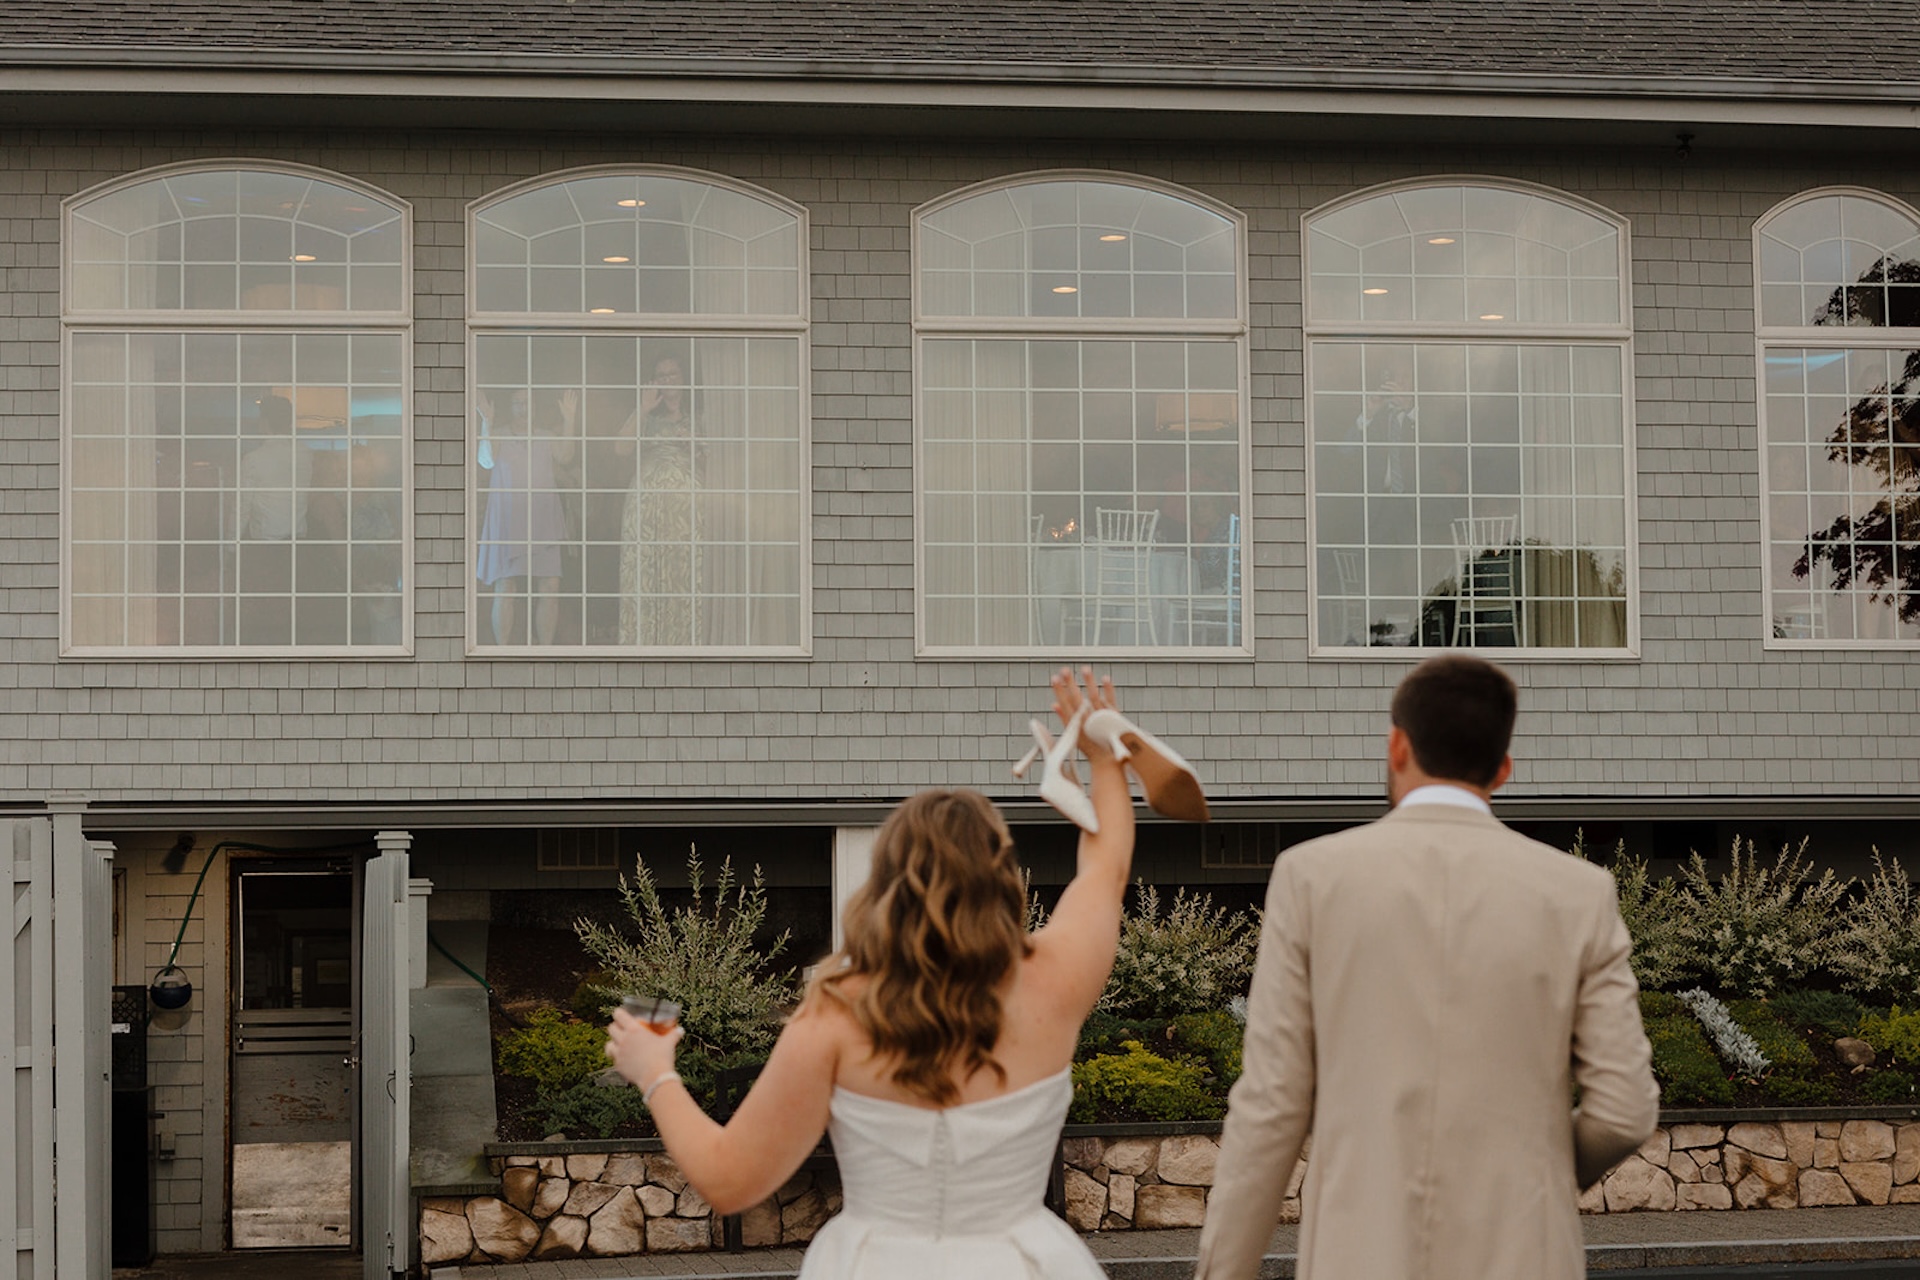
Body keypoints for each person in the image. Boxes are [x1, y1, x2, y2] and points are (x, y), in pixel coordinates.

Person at [605, 668, 1203, 1279]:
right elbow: (1107, 869)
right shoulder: (1057, 979)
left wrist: (654, 1073)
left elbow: (729, 1181)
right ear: (1001, 874)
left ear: (885, 884)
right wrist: (1102, 755)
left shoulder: (836, 1013)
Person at [1195, 654, 1658, 1280]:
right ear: (1503, 769)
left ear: (1396, 746)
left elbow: (1271, 1107)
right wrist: (1540, 1174)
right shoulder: (1580, 893)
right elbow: (1624, 1111)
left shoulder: (1312, 879)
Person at [475, 387, 576, 645]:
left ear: (534, 407)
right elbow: (485, 461)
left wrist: (570, 419)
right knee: (506, 587)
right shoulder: (499, 435)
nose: (523, 408)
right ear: (511, 407)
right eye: (517, 403)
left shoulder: (545, 436)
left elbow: (566, 456)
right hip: (508, 521)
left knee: (550, 587)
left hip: (543, 518)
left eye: (527, 403)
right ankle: (502, 651)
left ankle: (545, 651)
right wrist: (486, 422)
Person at [617, 353, 697, 645]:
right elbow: (620, 448)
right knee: (646, 572)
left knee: (682, 572)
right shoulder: (647, 418)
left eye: (672, 374)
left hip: (686, 510)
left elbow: (720, 462)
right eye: (661, 376)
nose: (667, 380)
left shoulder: (699, 419)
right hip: (647, 504)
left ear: (683, 378)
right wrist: (643, 408)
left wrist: (694, 445)